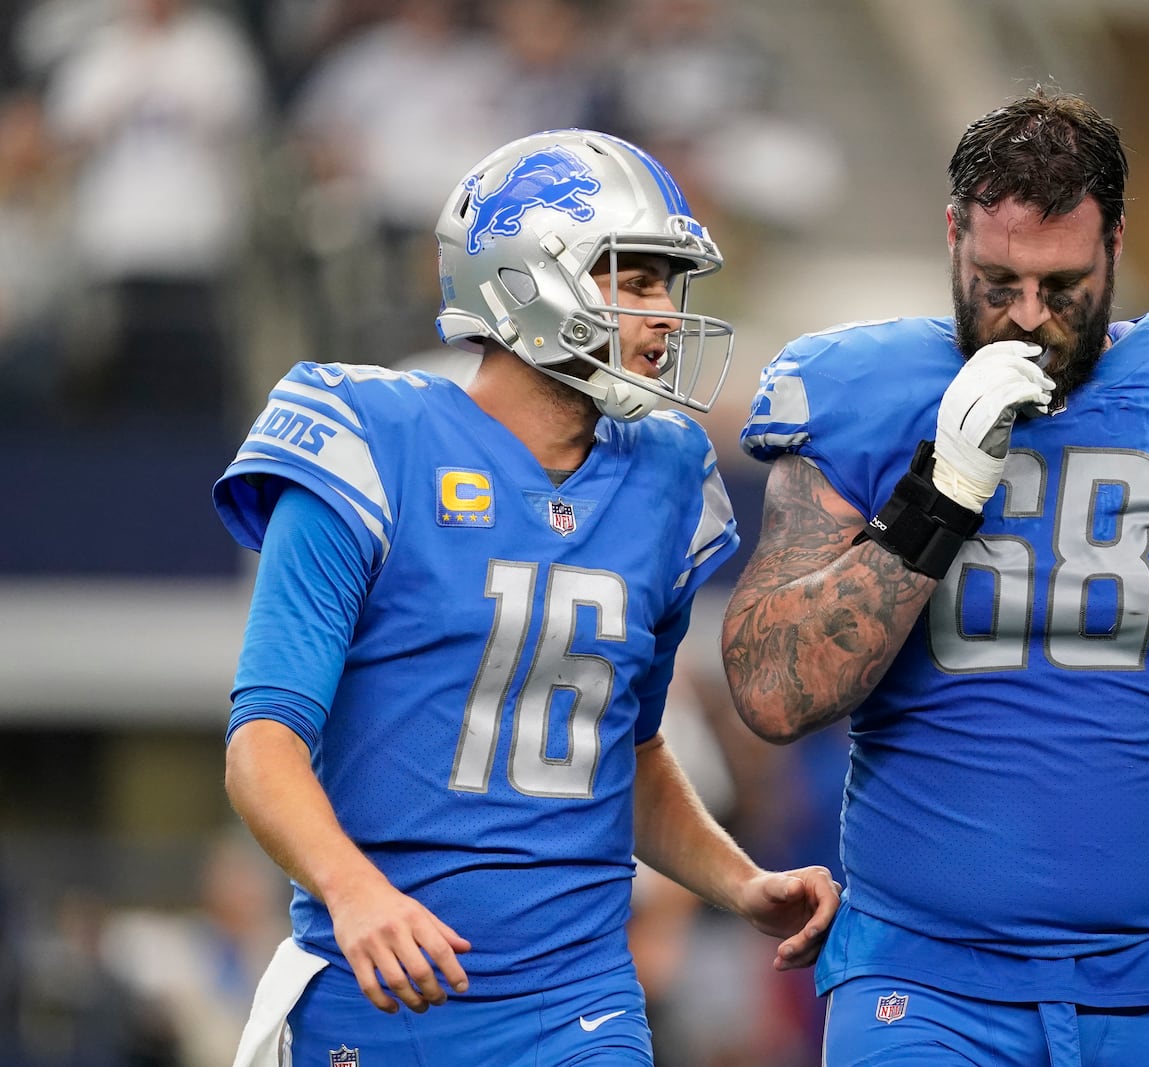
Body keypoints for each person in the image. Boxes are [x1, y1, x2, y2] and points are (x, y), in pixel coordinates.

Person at [720, 86, 1149, 1067]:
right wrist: (938, 495)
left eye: (1062, 286)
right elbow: (772, 688)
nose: (1025, 317)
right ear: (952, 235)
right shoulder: (863, 394)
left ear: (1116, 246)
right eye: (996, 280)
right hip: (920, 984)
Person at [213, 128, 839, 1067]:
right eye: (633, 281)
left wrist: (737, 881)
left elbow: (623, 747)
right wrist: (353, 890)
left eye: (668, 284)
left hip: (575, 1000)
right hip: (379, 987)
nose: (665, 315)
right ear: (524, 280)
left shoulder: (666, 477)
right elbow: (262, 747)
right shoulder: (370, 443)